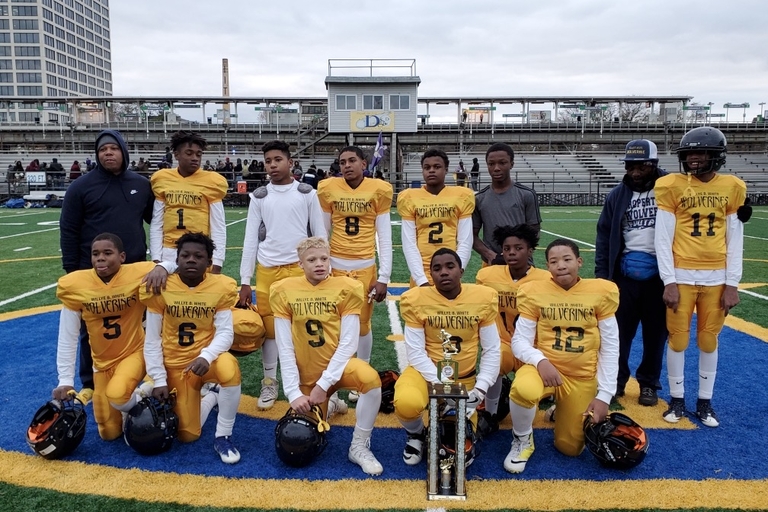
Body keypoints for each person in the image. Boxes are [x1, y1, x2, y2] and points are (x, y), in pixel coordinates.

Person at [654, 127, 746, 428]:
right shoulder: (671, 185)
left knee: (708, 339)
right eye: (689, 153)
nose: (693, 158)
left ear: (716, 156)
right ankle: (677, 400)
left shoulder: (731, 187)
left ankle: (705, 402)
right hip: (681, 274)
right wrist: (668, 280)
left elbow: (735, 237)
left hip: (716, 277)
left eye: (700, 153)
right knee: (678, 339)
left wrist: (732, 283)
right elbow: (662, 237)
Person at [504, 238, 619, 474]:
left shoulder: (601, 291)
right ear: (547, 267)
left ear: (579, 261)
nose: (561, 265)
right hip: (544, 370)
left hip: (581, 375)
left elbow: (610, 346)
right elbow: (519, 341)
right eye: (554, 261)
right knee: (523, 389)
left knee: (571, 447)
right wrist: (540, 360)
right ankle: (523, 439)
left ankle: (561, 409)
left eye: (567, 259)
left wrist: (605, 395)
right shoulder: (535, 291)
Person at [270, 237, 384, 475]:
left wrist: (325, 383)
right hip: (306, 375)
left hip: (338, 370)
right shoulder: (284, 290)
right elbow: (285, 345)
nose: (319, 264)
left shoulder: (345, 288)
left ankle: (359, 446)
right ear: (300, 264)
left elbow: (349, 342)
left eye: (324, 258)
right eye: (311, 260)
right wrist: (293, 392)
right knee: (298, 441)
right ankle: (329, 404)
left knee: (371, 380)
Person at [60, 130, 154, 405]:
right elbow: (69, 228)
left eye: (114, 148)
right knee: (92, 328)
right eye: (103, 150)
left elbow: (155, 221)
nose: (108, 153)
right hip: (92, 271)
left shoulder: (140, 184)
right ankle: (89, 382)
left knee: (142, 324)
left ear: (124, 152)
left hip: (134, 267)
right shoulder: (81, 186)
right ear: (97, 155)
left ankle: (143, 375)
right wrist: (72, 270)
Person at [53, 233, 171, 441]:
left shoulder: (137, 272)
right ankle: (142, 394)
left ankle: (144, 402)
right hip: (101, 363)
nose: (100, 258)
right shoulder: (76, 285)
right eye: (95, 254)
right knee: (108, 432)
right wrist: (65, 380)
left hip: (133, 352)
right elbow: (68, 335)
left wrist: (162, 267)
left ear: (122, 256)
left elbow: (173, 264)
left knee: (117, 395)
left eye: (108, 253)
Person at [239, 140, 327, 411]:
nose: (272, 165)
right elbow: (250, 240)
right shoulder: (259, 196)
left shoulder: (306, 193)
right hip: (267, 272)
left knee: (302, 328)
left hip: (299, 271)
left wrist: (325, 268)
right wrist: (245, 280)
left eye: (278, 159)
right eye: (268, 161)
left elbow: (319, 233)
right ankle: (269, 381)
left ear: (290, 162)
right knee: (270, 331)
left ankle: (306, 381)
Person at [140, 232, 243, 464]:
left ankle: (223, 435)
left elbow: (226, 332)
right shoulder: (163, 286)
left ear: (209, 262)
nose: (191, 260)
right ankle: (211, 399)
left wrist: (206, 356)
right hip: (175, 364)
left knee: (229, 368)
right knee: (187, 435)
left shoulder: (220, 286)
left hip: (204, 362)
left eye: (198, 256)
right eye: (185, 255)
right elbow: (152, 339)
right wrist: (159, 379)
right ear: (177, 259)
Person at [394, 248, 500, 465]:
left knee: (459, 439)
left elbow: (492, 349)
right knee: (406, 402)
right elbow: (415, 352)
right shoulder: (417, 299)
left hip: (466, 378)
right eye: (437, 268)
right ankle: (416, 434)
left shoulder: (482, 297)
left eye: (450, 266)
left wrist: (480, 389)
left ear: (461, 270)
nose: (444, 272)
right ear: (430, 275)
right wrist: (442, 384)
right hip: (427, 374)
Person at [595, 140, 668, 406]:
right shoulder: (617, 195)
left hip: (661, 276)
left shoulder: (671, 190)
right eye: (630, 167)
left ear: (654, 165)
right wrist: (603, 276)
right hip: (624, 275)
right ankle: (616, 381)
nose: (635, 173)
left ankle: (649, 384)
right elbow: (604, 236)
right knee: (618, 334)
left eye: (641, 167)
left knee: (656, 333)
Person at [317, 146, 393, 396]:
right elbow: (322, 231)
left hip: (364, 267)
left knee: (362, 325)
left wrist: (384, 276)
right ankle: (336, 373)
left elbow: (384, 235)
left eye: (352, 160)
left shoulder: (378, 190)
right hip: (336, 266)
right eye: (342, 162)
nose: (346, 165)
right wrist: (323, 265)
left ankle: (362, 372)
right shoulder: (329, 188)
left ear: (364, 163)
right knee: (335, 326)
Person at [475, 224, 550, 427]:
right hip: (504, 342)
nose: (512, 252)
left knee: (530, 387)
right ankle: (490, 415)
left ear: (530, 250)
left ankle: (553, 401)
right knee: (494, 363)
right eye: (507, 248)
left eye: (518, 248)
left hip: (532, 346)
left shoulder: (545, 279)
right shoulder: (488, 275)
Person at [149, 131, 228, 274]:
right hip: (169, 250)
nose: (195, 158)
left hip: (198, 251)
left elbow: (218, 226)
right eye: (189, 153)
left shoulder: (212, 181)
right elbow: (157, 222)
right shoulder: (162, 178)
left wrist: (217, 262)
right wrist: (155, 257)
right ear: (176, 154)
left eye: (198, 154)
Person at [396, 148, 475, 286]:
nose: (431, 170)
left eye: (437, 167)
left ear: (446, 169)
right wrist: (420, 279)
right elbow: (409, 243)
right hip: (422, 268)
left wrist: (456, 269)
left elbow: (465, 240)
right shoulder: (409, 197)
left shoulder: (462, 196)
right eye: (427, 167)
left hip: (450, 268)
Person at [473, 143, 542, 265]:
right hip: (492, 266)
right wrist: (490, 255)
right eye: (491, 164)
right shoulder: (479, 198)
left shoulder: (527, 194)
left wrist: (519, 253)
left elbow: (534, 232)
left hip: (523, 266)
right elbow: (472, 236)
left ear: (511, 164)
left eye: (502, 163)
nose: (496, 168)